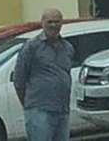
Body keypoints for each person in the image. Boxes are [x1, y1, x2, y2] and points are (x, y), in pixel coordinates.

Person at [12, 8, 73, 141]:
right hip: (39, 110)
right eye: (49, 21)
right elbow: (18, 79)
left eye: (57, 21)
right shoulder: (31, 47)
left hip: (62, 110)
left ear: (62, 23)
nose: (53, 25)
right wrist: (29, 104)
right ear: (42, 23)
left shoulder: (67, 47)